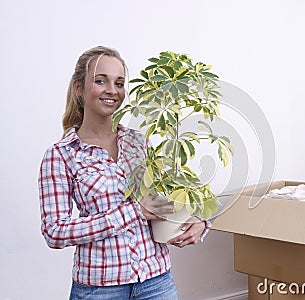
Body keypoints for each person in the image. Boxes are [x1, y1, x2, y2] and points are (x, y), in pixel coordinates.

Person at [38, 46, 208, 300]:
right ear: (78, 88)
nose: (112, 90)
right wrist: (132, 212)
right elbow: (55, 232)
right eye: (100, 80)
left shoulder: (139, 142)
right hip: (99, 289)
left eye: (119, 83)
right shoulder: (61, 155)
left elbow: (168, 197)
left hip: (156, 281)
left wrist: (199, 222)